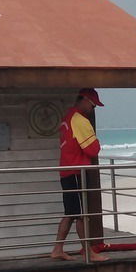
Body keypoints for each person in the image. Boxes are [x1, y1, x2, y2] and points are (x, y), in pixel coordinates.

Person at [51, 88, 109, 262]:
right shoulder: (79, 120)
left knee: (71, 213)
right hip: (76, 171)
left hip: (66, 170)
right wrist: (96, 140)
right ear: (83, 100)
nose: (93, 109)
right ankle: (88, 252)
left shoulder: (67, 117)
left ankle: (58, 249)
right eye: (93, 105)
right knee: (80, 215)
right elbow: (93, 149)